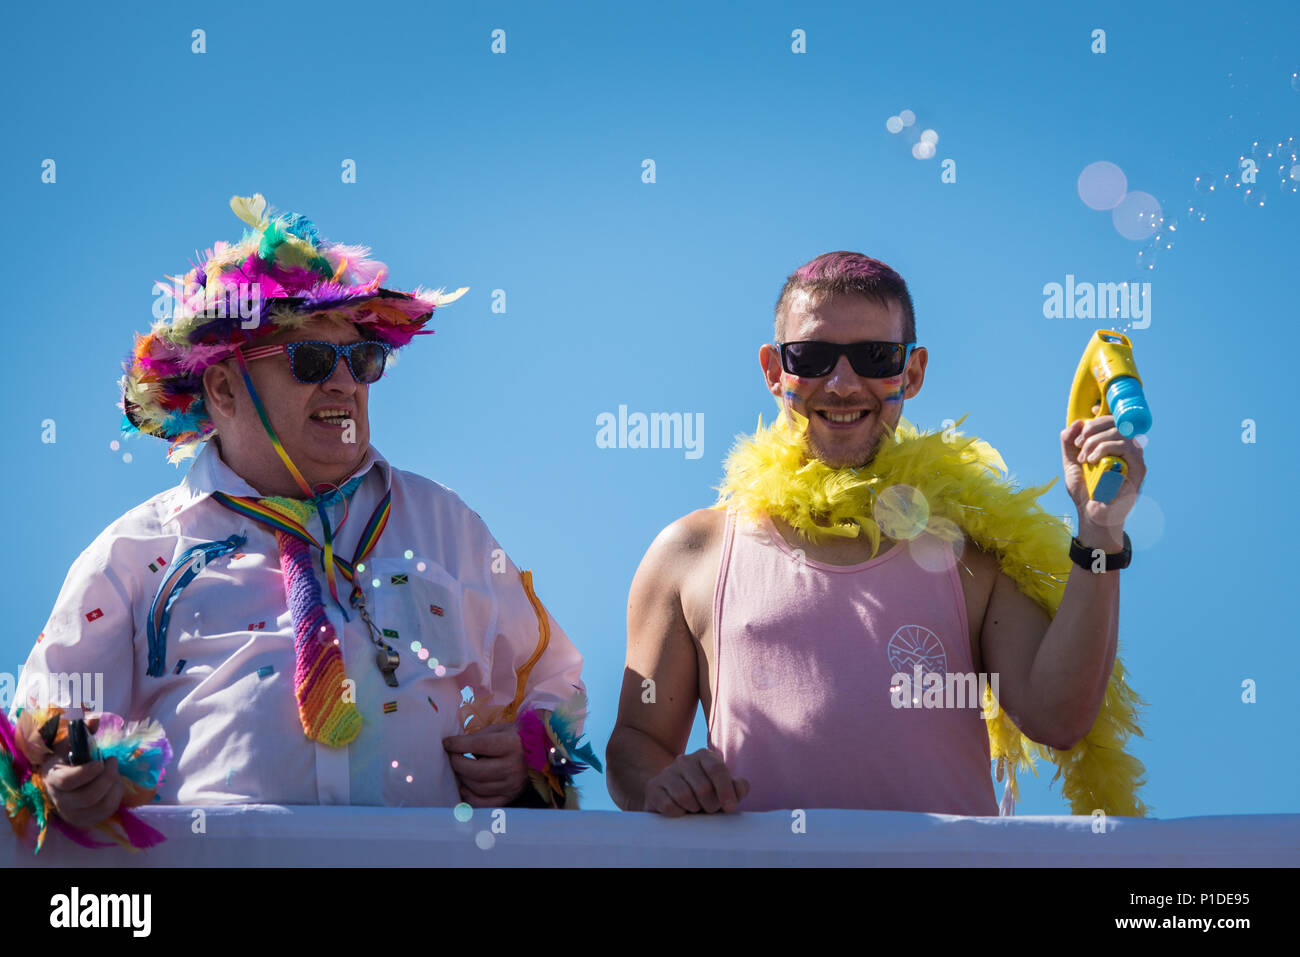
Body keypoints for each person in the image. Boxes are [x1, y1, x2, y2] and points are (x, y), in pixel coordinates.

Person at [5, 194, 596, 851]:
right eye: (311, 361)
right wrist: (64, 769)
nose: (345, 383)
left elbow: (552, 682)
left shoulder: (445, 524)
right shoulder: (132, 554)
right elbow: (43, 723)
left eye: (362, 360)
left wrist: (526, 755)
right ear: (224, 389)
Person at [607, 251, 1147, 818]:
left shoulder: (973, 553)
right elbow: (635, 745)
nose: (842, 384)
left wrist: (1100, 531)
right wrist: (663, 783)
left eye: (874, 357)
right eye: (812, 357)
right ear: (774, 371)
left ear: (910, 373)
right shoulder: (690, 552)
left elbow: (1058, 717)